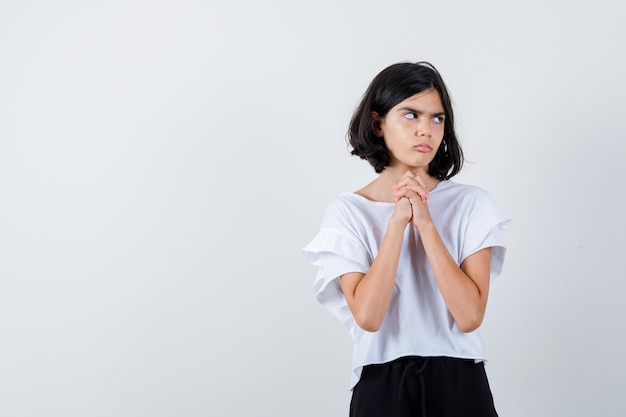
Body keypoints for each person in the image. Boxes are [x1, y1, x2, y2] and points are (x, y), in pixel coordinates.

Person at [302, 61, 512, 417]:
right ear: (377, 122)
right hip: (382, 382)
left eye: (437, 118)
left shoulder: (471, 203)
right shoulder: (348, 211)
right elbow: (368, 316)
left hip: (459, 378)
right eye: (411, 115)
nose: (426, 130)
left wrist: (426, 224)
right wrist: (398, 222)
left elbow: (469, 315)